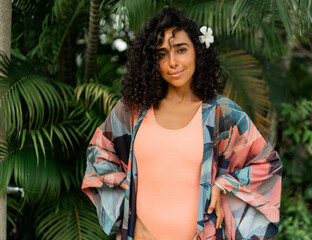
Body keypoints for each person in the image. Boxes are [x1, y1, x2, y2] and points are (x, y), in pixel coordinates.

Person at [81, 6, 282, 240]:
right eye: (162, 53)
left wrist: (223, 184)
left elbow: (267, 165)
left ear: (197, 52)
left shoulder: (221, 114)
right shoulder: (133, 110)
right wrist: (126, 201)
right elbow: (98, 154)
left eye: (181, 50)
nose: (173, 62)